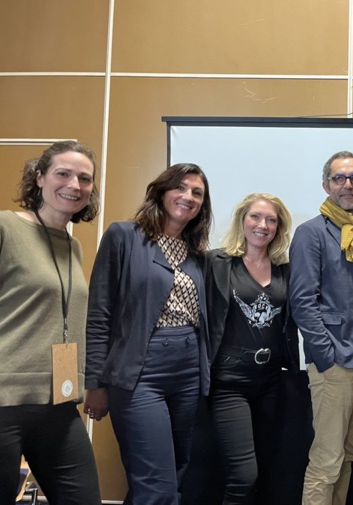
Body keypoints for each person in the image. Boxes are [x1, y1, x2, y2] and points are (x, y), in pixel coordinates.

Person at [84, 163, 212, 504]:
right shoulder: (124, 236)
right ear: (161, 191)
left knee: (175, 472)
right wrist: (94, 383)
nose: (188, 197)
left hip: (188, 371)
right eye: (181, 188)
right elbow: (99, 314)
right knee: (157, 484)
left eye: (197, 193)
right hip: (139, 371)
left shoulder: (198, 255)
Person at [0, 140, 101, 504]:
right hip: (4, 401)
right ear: (39, 178)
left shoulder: (72, 245)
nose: (74, 185)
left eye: (85, 178)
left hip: (57, 403)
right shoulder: (6, 227)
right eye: (63, 173)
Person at [289, 150, 353, 505]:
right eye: (340, 178)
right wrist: (325, 357)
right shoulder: (311, 233)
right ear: (326, 184)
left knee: (348, 455)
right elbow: (303, 301)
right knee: (326, 460)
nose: (348, 184)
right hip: (335, 365)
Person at [207, 193, 299, 504]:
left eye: (271, 220)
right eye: (256, 217)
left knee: (266, 471)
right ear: (242, 221)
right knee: (243, 475)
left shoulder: (285, 269)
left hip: (271, 381)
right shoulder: (217, 263)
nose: (263, 225)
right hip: (229, 383)